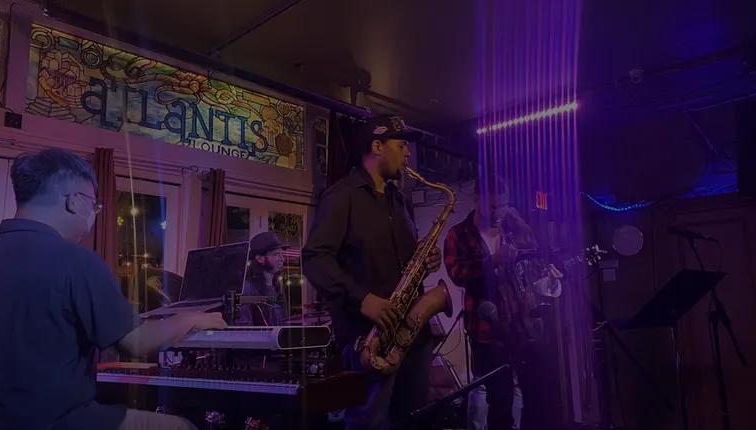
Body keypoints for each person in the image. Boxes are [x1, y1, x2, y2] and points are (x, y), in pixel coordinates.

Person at [0, 148, 227, 430]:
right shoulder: (76, 260)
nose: (93, 215)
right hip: (60, 421)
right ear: (74, 202)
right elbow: (138, 343)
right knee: (180, 426)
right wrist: (189, 318)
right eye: (93, 205)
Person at [302, 114, 442, 430]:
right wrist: (363, 299)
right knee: (369, 424)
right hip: (368, 340)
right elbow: (314, 258)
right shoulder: (341, 196)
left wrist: (426, 260)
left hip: (413, 337)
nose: (408, 153)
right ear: (377, 147)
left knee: (412, 421)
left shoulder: (400, 201)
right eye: (401, 145)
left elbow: (404, 262)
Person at [443, 176, 563, 430]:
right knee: (500, 403)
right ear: (477, 200)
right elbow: (457, 274)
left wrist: (549, 279)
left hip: (525, 326)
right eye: (493, 207)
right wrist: (492, 262)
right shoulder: (458, 234)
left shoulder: (517, 227)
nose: (499, 213)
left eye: (504, 205)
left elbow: (536, 267)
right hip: (488, 332)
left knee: (538, 399)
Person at [238, 231, 288, 326]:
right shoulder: (248, 289)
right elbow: (245, 327)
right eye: (276, 254)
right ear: (260, 259)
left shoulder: (278, 287)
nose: (282, 258)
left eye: (282, 254)